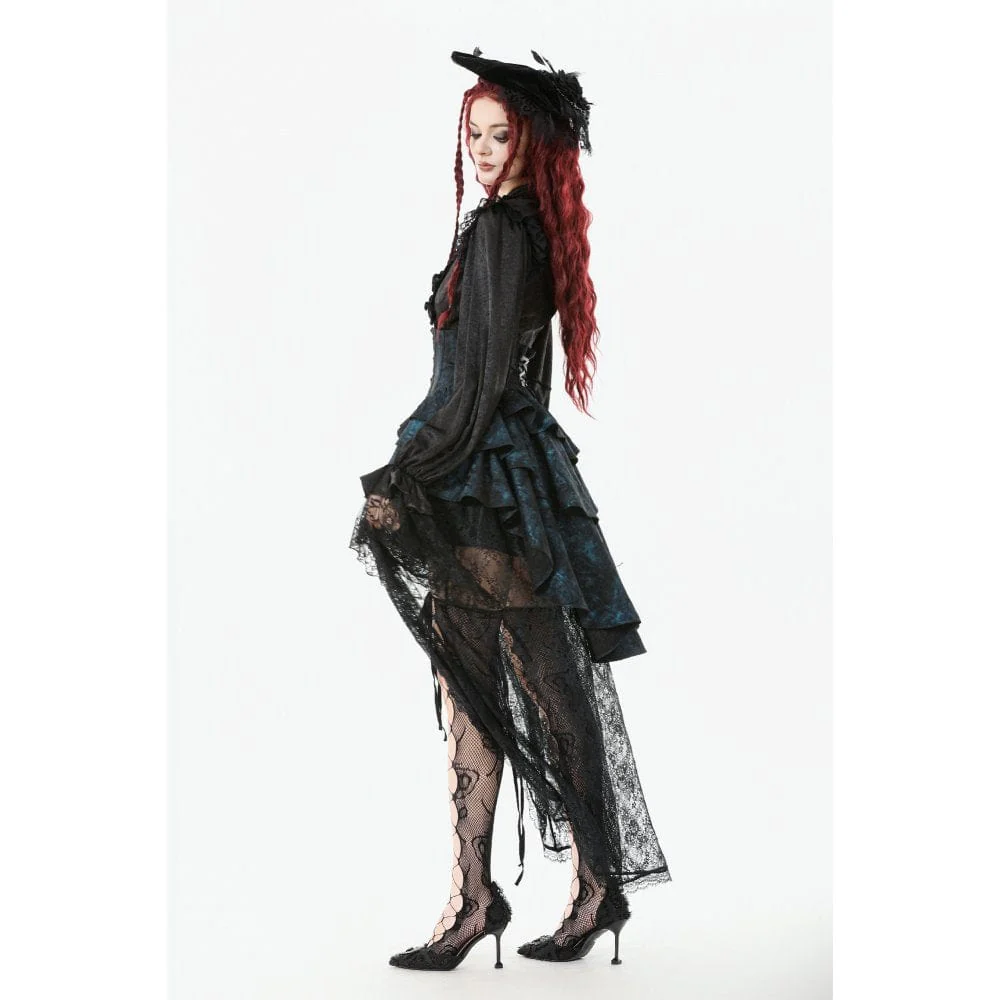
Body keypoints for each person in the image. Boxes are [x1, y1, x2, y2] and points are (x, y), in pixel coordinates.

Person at [349, 47, 671, 972]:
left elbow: (480, 384)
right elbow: (511, 381)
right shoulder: (533, 230)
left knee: (498, 691)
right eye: (475, 135)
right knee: (524, 687)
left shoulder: (497, 233)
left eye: (502, 136)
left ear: (533, 144)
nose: (485, 151)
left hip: (479, 482)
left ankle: (490, 897)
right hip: (510, 478)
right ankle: (554, 888)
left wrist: (404, 470)